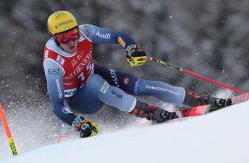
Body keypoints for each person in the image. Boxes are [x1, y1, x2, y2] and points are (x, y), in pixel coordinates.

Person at [43, 11, 232, 138]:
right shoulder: (53, 62)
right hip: (81, 99)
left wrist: (131, 48)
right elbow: (57, 106)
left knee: (138, 85)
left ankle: (195, 100)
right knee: (94, 82)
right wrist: (80, 123)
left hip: (95, 74)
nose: (71, 41)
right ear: (54, 38)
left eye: (73, 33)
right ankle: (146, 111)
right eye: (63, 38)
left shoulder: (85, 33)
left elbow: (117, 36)